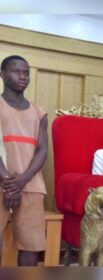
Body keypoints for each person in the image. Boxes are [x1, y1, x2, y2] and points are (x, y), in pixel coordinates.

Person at [0, 55, 48, 266]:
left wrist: (21, 181)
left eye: (26, 72)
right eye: (16, 71)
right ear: (2, 74)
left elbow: (42, 150)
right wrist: (9, 183)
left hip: (31, 184)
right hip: (3, 181)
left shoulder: (39, 112)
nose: (22, 76)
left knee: (32, 245)